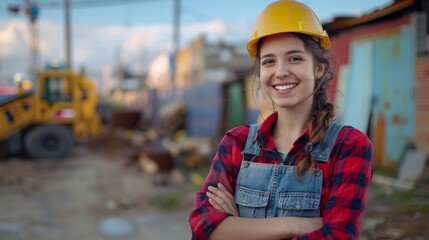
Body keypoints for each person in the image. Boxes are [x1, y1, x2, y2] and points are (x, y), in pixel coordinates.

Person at [189, 0, 374, 239]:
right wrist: (293, 225)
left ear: (318, 68)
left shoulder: (348, 147)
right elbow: (202, 227)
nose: (281, 71)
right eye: (269, 61)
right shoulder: (237, 143)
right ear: (261, 72)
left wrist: (238, 227)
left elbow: (338, 235)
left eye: (294, 58)